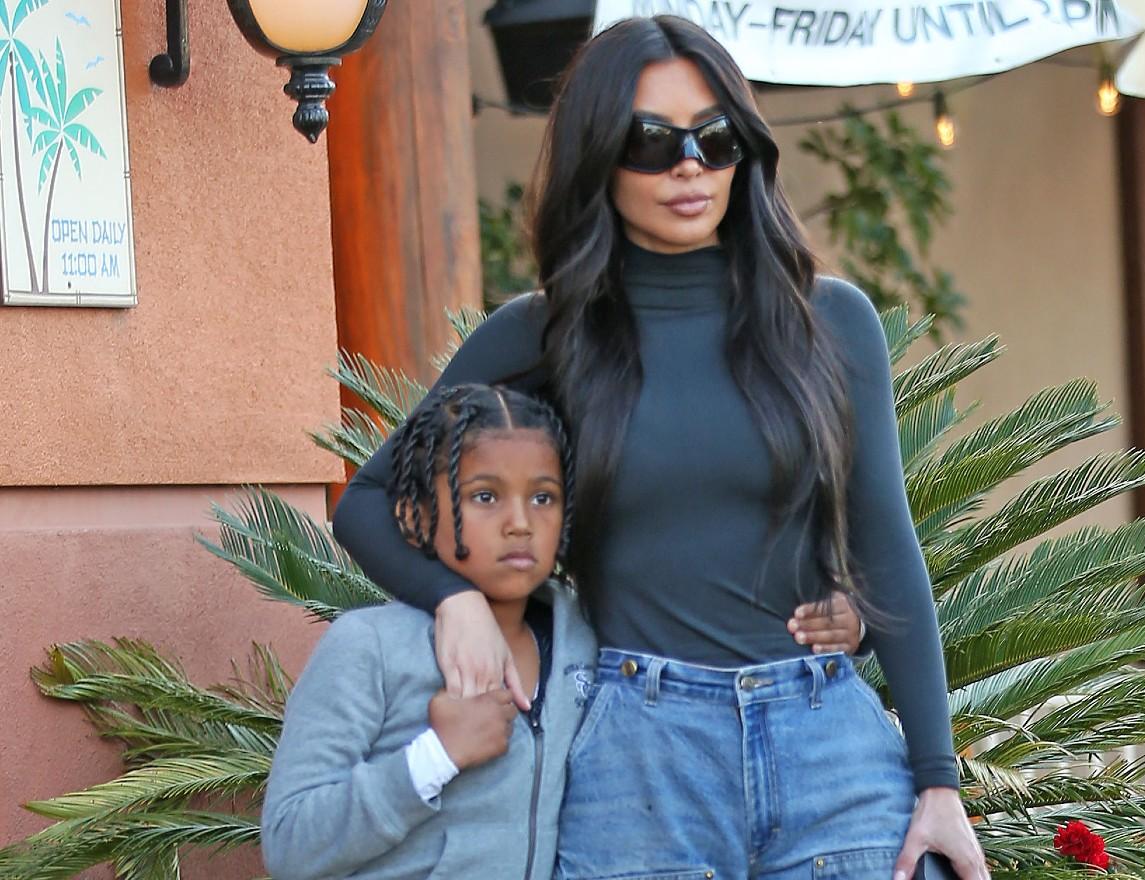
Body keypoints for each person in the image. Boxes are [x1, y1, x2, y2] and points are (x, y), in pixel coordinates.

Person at [332, 15, 987, 880]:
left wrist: (938, 783)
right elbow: (367, 505)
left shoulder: (830, 321)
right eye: (652, 141)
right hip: (641, 757)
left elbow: (886, 542)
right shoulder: (544, 334)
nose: (689, 165)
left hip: (829, 747)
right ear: (598, 156)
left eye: (714, 139)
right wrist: (453, 600)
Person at [260, 384, 596, 880]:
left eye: (543, 497)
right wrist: (435, 756)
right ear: (416, 517)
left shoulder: (584, 646)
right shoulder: (368, 648)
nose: (521, 523)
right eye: (485, 496)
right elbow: (290, 845)